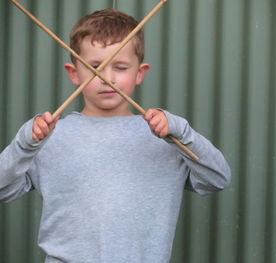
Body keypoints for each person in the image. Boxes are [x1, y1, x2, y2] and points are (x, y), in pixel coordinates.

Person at [0, 8, 231, 263]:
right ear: (74, 72)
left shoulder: (165, 137)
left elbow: (217, 178)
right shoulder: (49, 138)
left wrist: (181, 132)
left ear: (140, 72)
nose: (107, 79)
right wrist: (25, 145)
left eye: (120, 67)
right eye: (95, 67)